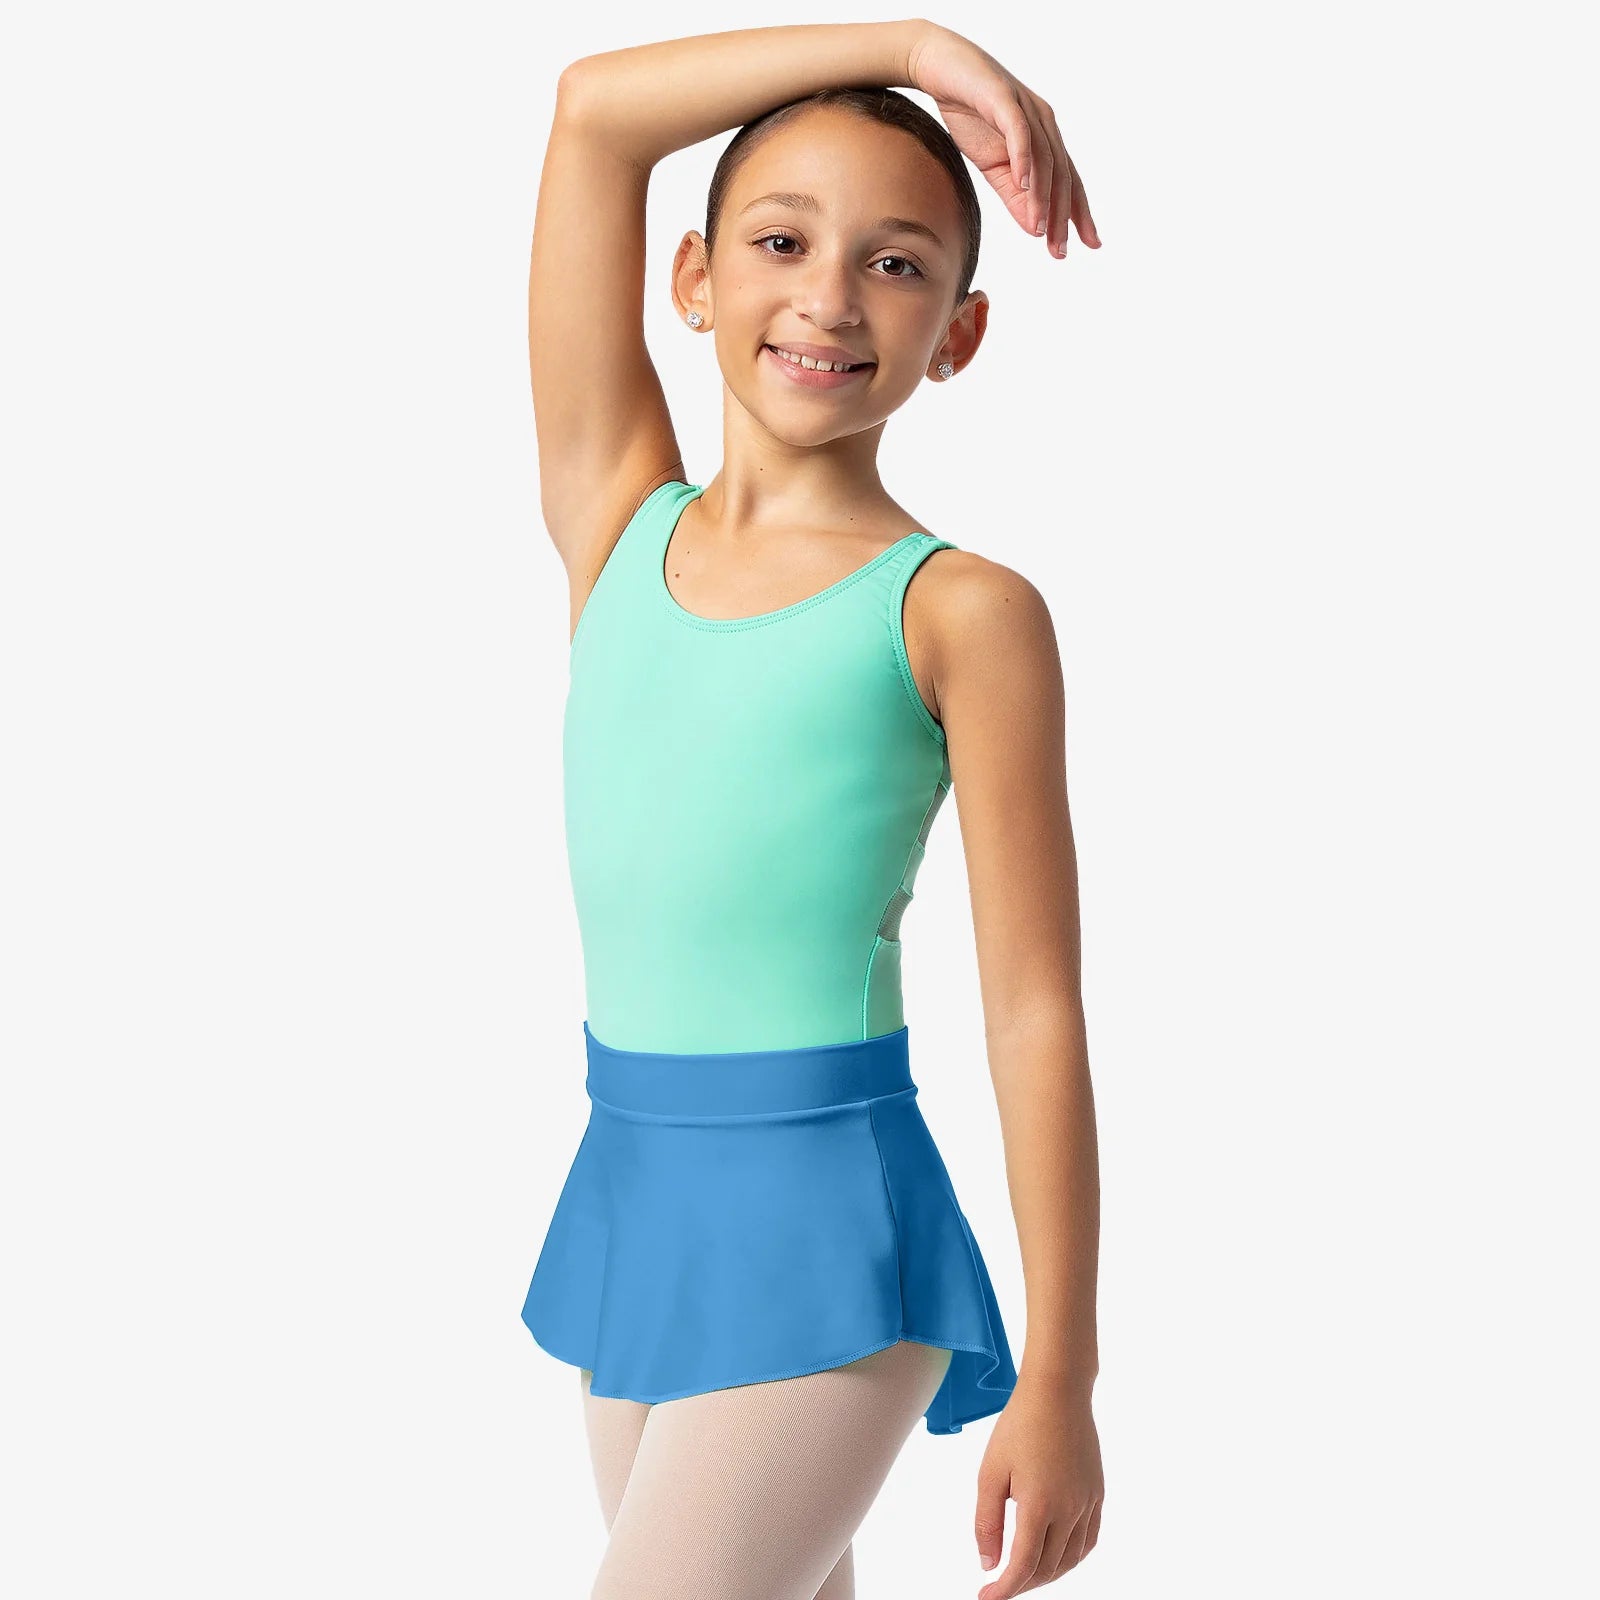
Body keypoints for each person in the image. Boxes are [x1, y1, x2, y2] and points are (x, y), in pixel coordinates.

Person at [519, 20, 1104, 1600]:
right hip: (636, 1190)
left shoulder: (960, 610)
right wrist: (914, 41)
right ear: (693, 280)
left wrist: (1062, 1377)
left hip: (826, 1220)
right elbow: (593, 115)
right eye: (781, 242)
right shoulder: (615, 521)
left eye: (896, 265)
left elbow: (1034, 1005)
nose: (831, 298)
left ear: (959, 334)